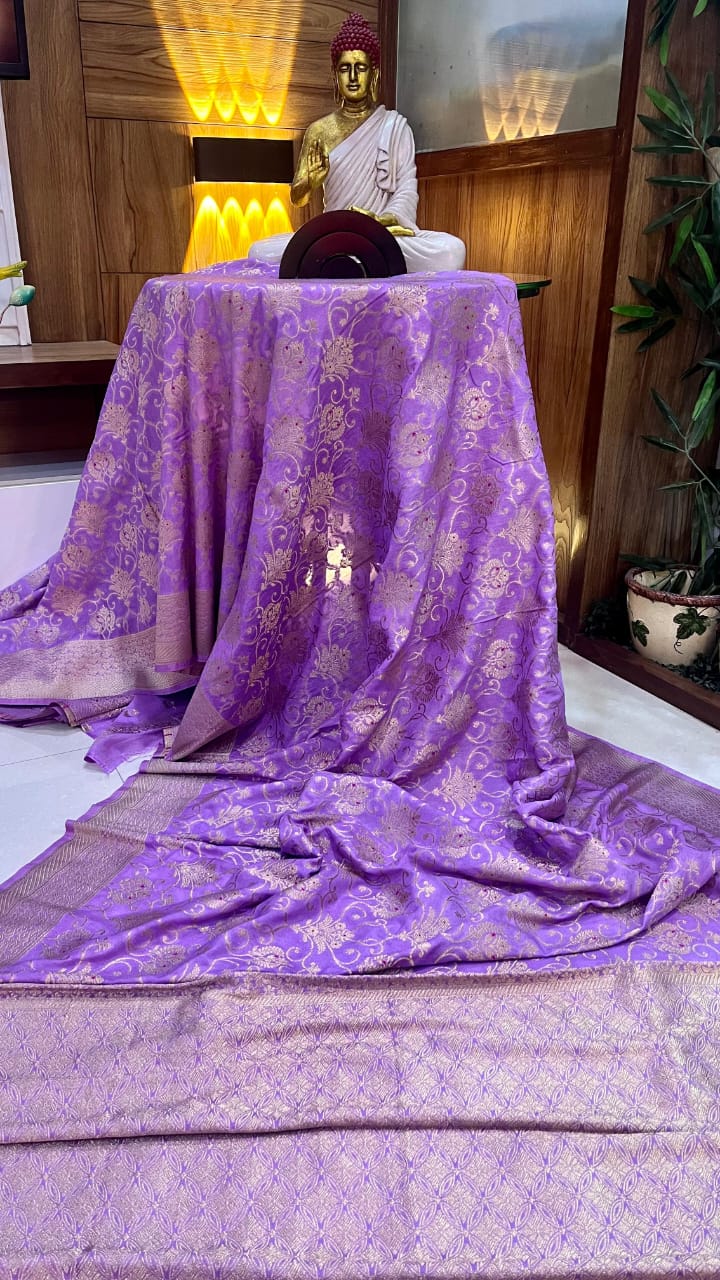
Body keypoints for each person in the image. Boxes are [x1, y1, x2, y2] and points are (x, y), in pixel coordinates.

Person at [248, 12, 466, 274]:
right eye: (344, 68)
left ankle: (354, 254)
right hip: (332, 234)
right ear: (335, 74)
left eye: (360, 68)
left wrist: (379, 220)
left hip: (382, 234)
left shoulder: (395, 127)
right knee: (260, 252)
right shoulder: (319, 130)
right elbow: (298, 196)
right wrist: (309, 182)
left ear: (374, 73)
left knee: (451, 250)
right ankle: (357, 256)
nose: (352, 76)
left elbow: (406, 191)